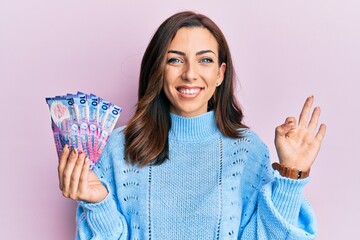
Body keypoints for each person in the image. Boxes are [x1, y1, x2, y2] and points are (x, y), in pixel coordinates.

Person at [58, 11, 326, 239]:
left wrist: (293, 176)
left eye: (205, 60)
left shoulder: (248, 150)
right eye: (175, 59)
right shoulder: (119, 147)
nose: (189, 73)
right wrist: (97, 204)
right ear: (158, 69)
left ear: (220, 74)